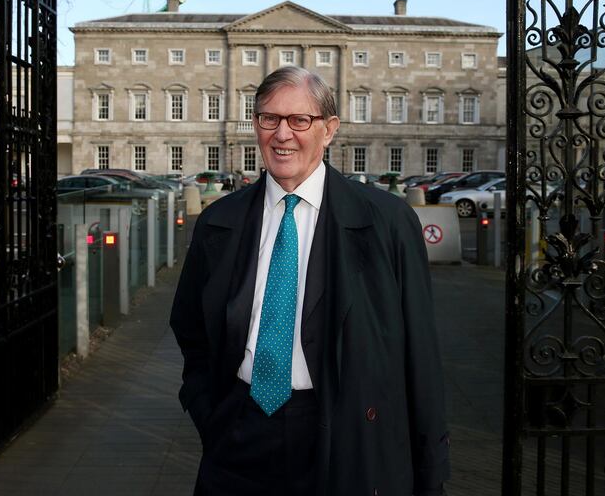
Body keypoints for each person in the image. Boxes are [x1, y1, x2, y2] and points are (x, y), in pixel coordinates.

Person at [170, 66, 450, 496]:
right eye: (269, 119)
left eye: (300, 120)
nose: (283, 135)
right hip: (239, 435)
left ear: (329, 129)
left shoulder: (388, 223)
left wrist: (429, 473)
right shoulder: (217, 222)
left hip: (345, 440)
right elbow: (190, 329)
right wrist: (210, 412)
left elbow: (421, 356)